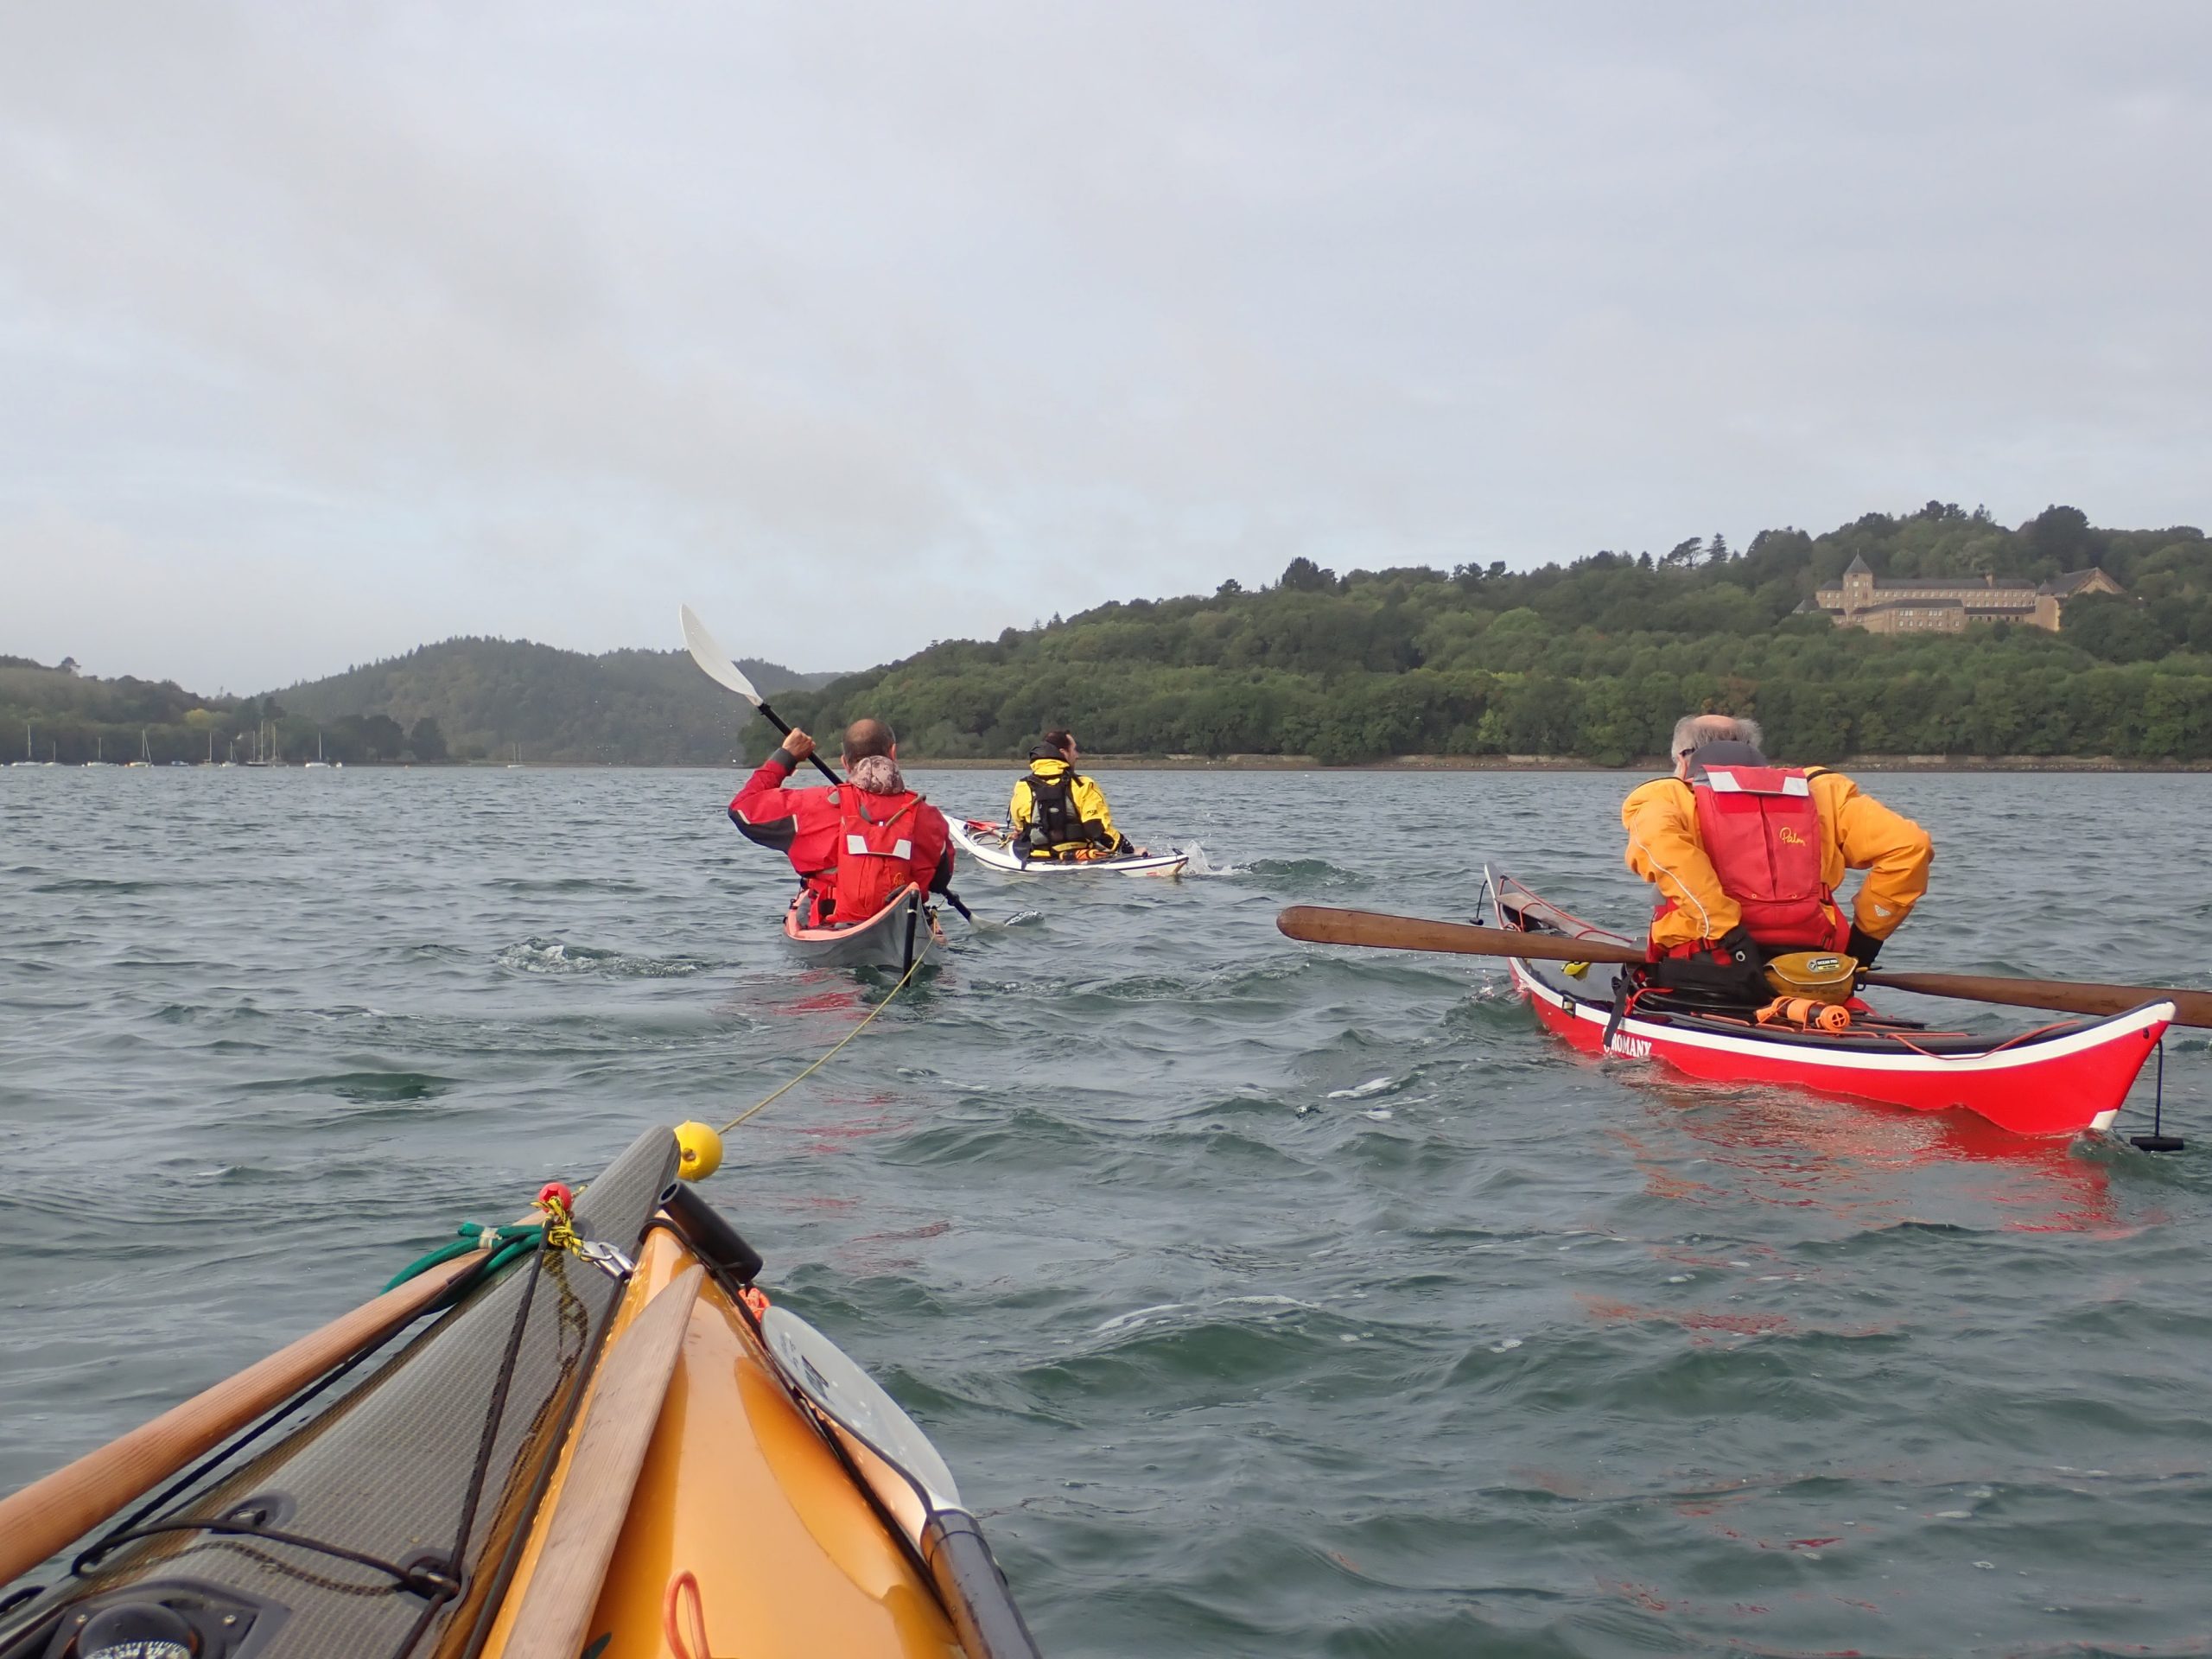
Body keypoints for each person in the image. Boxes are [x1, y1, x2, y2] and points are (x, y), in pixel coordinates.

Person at [1620, 714, 1932, 1001]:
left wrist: (1731, 937)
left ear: (1682, 759)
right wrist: (1863, 948)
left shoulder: (1665, 796)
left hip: (1709, 974)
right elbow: (1911, 846)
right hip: (1815, 972)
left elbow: (1666, 855)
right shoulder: (1822, 791)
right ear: (1754, 752)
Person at [730, 718, 954, 925]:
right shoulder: (927, 815)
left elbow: (741, 808)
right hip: (903, 924)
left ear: (845, 763)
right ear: (893, 753)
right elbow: (939, 881)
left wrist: (786, 756)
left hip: (834, 927)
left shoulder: (810, 805)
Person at [1007, 729, 1141, 861]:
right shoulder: (1083, 785)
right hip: (1080, 860)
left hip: (1038, 860)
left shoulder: (1023, 786)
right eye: (1074, 750)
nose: (1077, 755)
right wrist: (1131, 852)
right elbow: (1098, 830)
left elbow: (1021, 828)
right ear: (1063, 753)